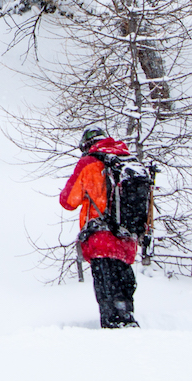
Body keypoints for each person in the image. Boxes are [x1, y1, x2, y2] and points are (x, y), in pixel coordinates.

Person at [60, 127, 140, 328]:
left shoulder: (89, 163)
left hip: (101, 241)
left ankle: (114, 333)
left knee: (107, 295)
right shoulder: (129, 162)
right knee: (123, 292)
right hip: (127, 240)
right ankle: (128, 325)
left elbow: (68, 200)